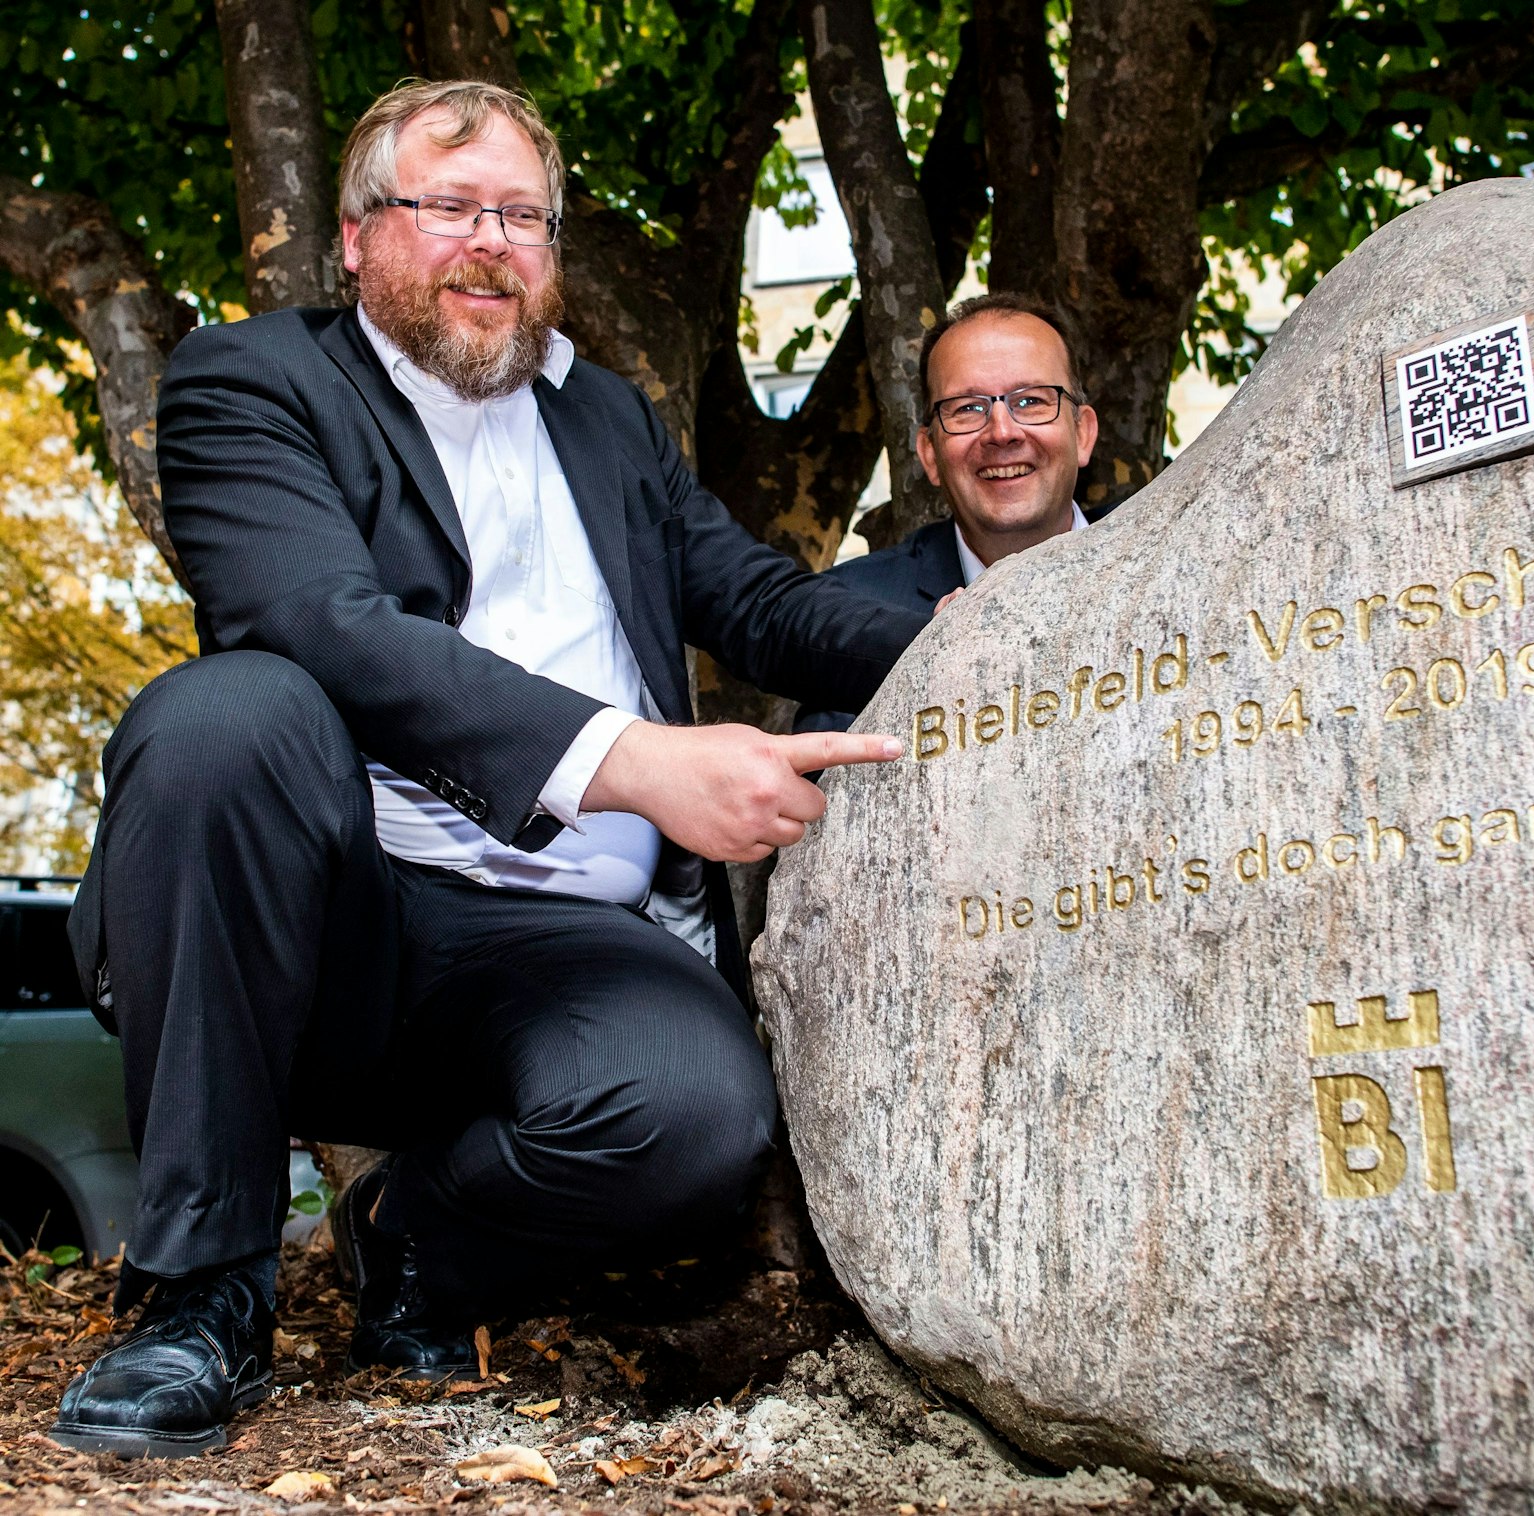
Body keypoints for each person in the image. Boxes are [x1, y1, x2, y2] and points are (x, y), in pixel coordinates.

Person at [52, 80, 927, 1459]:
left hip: (558, 938)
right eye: (450, 207)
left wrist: (995, 628)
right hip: (334, 916)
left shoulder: (611, 424)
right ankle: (198, 1297)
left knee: (693, 1116)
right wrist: (632, 762)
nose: (492, 244)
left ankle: (413, 1245)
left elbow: (758, 603)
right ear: (355, 237)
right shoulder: (253, 379)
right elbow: (322, 627)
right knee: (228, 716)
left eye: (522, 215)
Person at [794, 293, 1107, 734]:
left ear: (1083, 433)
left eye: (1032, 401)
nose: (1002, 432)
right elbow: (825, 790)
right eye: (967, 409)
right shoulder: (850, 610)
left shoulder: (1167, 565)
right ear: (930, 455)